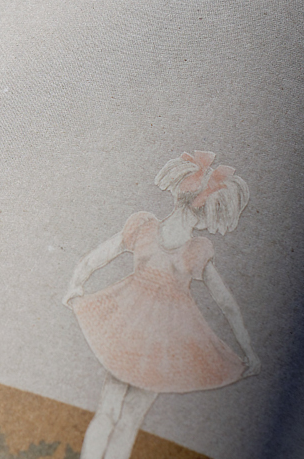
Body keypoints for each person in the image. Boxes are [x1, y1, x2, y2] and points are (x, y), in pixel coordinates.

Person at [63, 151, 260, 459]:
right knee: (129, 419)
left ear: (180, 192)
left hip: (130, 329)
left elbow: (95, 258)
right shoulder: (196, 250)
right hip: (163, 342)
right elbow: (227, 305)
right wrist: (247, 350)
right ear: (208, 211)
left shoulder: (145, 228)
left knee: (108, 411)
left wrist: (76, 285)